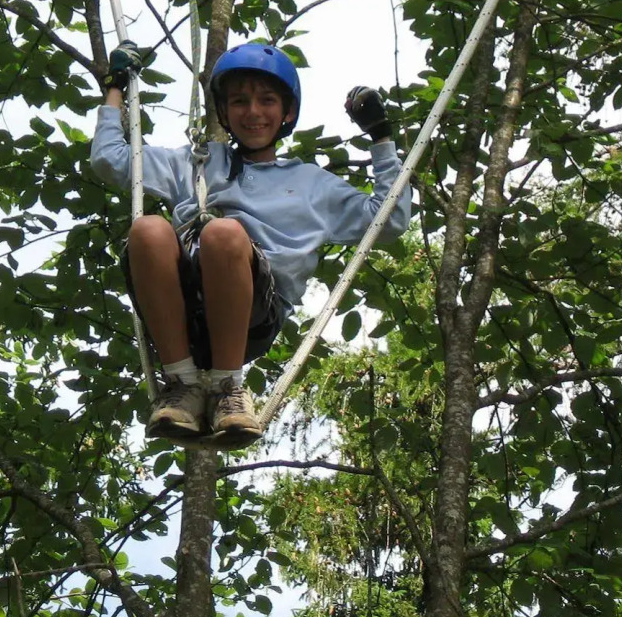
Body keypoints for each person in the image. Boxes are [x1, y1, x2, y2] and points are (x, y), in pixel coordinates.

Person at [90, 41, 412, 447]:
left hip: (253, 313)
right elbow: (109, 159)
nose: (253, 112)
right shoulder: (199, 162)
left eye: (266, 101)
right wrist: (116, 87)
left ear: (287, 112)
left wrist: (381, 138)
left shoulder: (313, 184)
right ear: (224, 112)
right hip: (183, 305)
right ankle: (183, 384)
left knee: (223, 233)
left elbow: (390, 219)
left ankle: (228, 388)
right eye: (239, 101)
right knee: (148, 229)